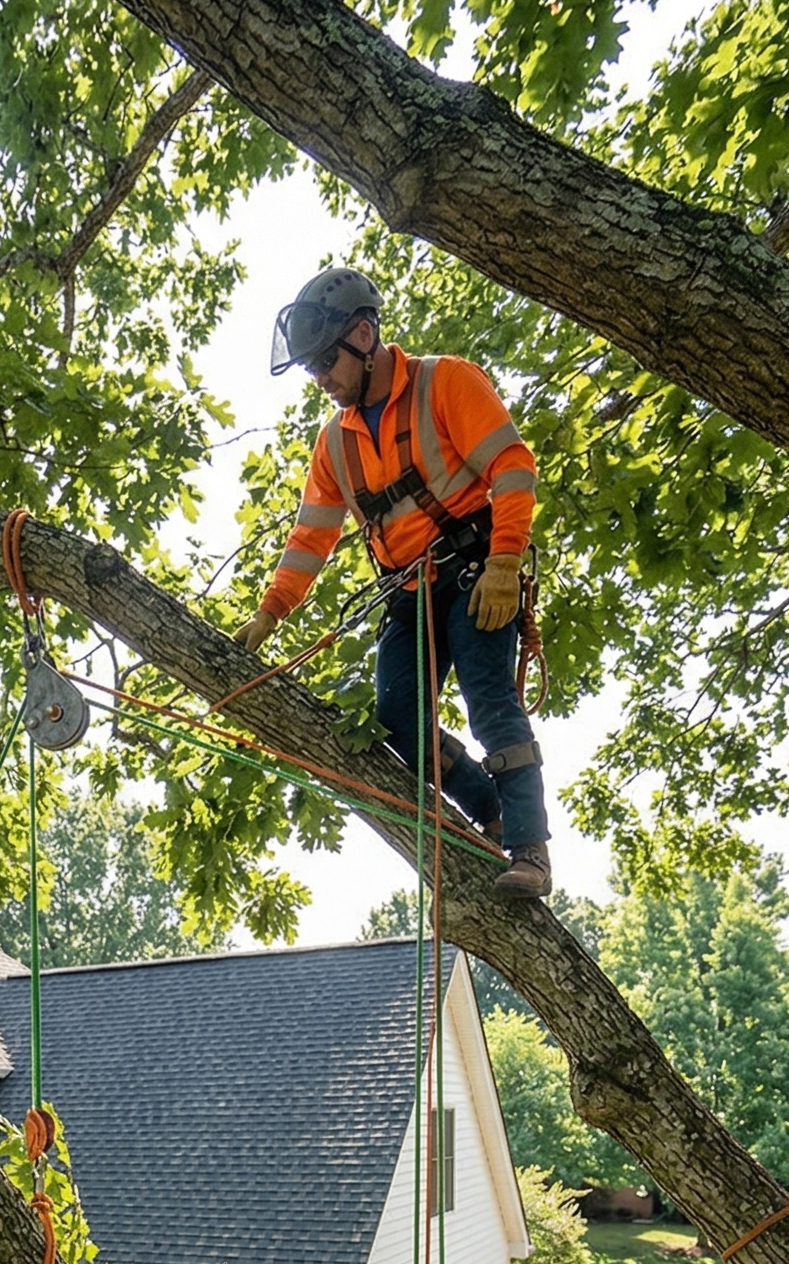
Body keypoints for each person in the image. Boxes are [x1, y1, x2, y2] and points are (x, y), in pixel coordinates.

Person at [233, 266, 553, 900]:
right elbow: (310, 538)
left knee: (491, 701)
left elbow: (513, 468)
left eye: (326, 362)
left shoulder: (445, 382)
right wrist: (270, 614)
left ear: (363, 333)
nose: (321, 379)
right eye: (311, 370)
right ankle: (486, 809)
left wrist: (504, 566)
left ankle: (529, 849)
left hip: (473, 571)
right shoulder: (335, 446)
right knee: (397, 718)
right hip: (407, 593)